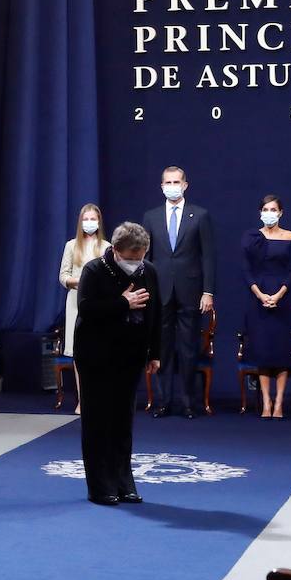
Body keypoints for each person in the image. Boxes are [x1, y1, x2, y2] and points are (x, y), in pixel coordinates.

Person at [74, 221, 161, 506]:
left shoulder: (150, 272)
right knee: (98, 421)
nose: (135, 264)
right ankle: (100, 486)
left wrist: (154, 353)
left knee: (123, 422)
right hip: (96, 357)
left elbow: (156, 315)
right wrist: (123, 303)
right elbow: (86, 308)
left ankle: (124, 481)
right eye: (130, 259)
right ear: (116, 251)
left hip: (130, 356)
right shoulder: (94, 270)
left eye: (140, 258)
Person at [143, 165, 215, 419]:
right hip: (160, 292)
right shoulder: (150, 217)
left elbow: (208, 257)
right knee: (162, 348)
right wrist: (145, 292)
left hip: (190, 290)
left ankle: (187, 402)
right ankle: (163, 401)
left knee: (187, 348)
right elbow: (145, 259)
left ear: (185, 184)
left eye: (177, 182)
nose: (172, 186)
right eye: (167, 182)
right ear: (161, 186)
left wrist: (208, 291)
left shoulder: (200, 215)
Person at [241, 195, 291, 418]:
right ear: (260, 212)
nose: (269, 212)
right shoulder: (251, 237)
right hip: (258, 296)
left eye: (273, 209)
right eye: (265, 209)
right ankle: (266, 402)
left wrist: (279, 294)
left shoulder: (289, 236)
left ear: (281, 212)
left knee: (281, 352)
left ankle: (279, 404)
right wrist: (260, 294)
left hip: (282, 297)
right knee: (263, 352)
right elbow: (246, 270)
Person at [58, 204, 106, 414]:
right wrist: (76, 281)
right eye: (85, 219)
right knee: (80, 354)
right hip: (76, 303)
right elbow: (63, 276)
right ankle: (82, 400)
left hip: (99, 304)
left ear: (99, 221)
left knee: (98, 353)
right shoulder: (71, 246)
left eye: (92, 219)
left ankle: (99, 399)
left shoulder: (106, 247)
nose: (89, 223)